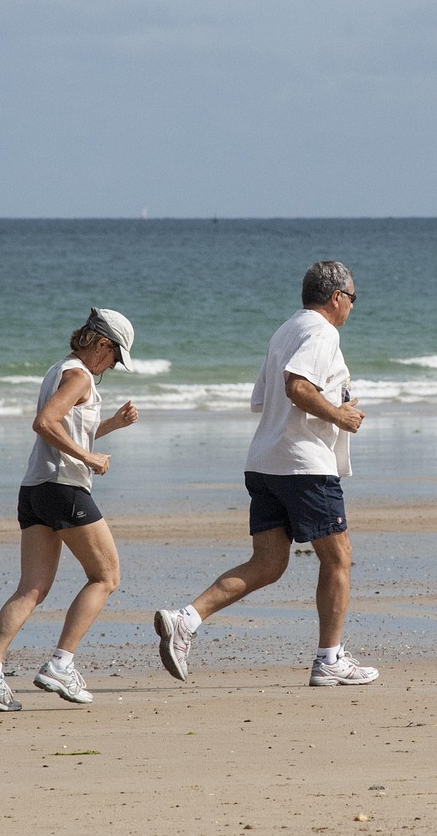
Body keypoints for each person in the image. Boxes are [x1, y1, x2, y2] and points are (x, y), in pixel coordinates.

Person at [154, 260, 378, 687]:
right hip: (303, 464)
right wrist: (339, 415)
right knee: (339, 557)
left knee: (270, 562)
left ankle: (186, 620)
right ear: (336, 297)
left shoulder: (286, 329)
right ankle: (329, 659)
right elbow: (297, 387)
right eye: (353, 298)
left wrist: (334, 399)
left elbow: (263, 398)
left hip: (265, 462)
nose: (352, 307)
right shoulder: (322, 331)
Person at [0, 308, 139, 711]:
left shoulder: (60, 370)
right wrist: (91, 459)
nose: (112, 365)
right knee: (106, 576)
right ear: (102, 344)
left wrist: (111, 424)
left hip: (35, 489)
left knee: (31, 588)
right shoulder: (79, 376)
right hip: (65, 489)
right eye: (115, 357)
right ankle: (61, 664)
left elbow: (68, 425)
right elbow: (44, 422)